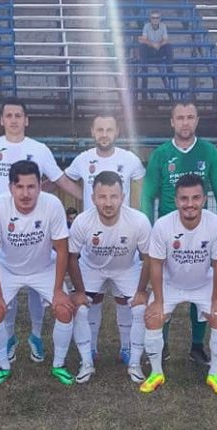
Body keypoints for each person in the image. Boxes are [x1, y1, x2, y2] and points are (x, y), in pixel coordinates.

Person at [0, 97, 82, 364]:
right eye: (9, 115)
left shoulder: (39, 149)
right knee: (4, 299)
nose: (14, 120)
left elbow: (59, 179)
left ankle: (36, 336)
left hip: (35, 228)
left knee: (37, 294)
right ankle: (9, 338)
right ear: (1, 120)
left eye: (18, 115)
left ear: (26, 120)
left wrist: (89, 202)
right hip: (5, 228)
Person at [0, 160, 92, 386]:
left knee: (64, 310)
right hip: (8, 269)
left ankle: (58, 364)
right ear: (10, 187)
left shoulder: (52, 204)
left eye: (31, 186)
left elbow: (62, 249)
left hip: (43, 268)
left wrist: (58, 291)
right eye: (20, 187)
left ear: (40, 186)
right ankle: (3, 365)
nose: (25, 193)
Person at [140, 101, 217, 365]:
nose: (185, 122)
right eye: (180, 118)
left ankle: (197, 346)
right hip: (168, 233)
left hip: (200, 230)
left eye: (190, 117)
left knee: (199, 283)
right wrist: (148, 227)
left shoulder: (209, 151)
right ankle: (163, 344)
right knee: (166, 285)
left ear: (197, 120)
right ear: (172, 122)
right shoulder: (161, 154)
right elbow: (147, 193)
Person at [64, 114, 146, 363]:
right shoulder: (83, 159)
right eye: (99, 129)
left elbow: (141, 190)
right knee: (92, 300)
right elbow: (63, 179)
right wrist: (83, 197)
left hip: (123, 242)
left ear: (117, 131)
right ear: (92, 131)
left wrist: (134, 216)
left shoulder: (130, 159)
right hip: (94, 242)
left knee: (125, 300)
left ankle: (126, 348)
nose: (104, 134)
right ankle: (90, 349)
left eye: (109, 129)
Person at [141, 174, 217, 395]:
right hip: (171, 283)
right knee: (153, 318)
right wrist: (158, 301)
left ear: (204, 199)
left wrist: (216, 299)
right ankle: (156, 373)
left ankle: (215, 374)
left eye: (195, 198)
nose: (190, 204)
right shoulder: (163, 225)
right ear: (176, 200)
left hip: (204, 283)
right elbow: (155, 264)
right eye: (184, 198)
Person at [67, 171, 151, 383]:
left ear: (123, 197)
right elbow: (72, 257)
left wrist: (142, 291)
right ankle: (87, 359)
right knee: (82, 308)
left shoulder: (138, 221)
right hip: (91, 267)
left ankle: (133, 359)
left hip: (126, 268)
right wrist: (79, 291)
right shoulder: (82, 222)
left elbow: (148, 257)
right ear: (93, 198)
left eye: (114, 196)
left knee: (139, 308)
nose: (108, 202)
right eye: (102, 197)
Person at [137, 10, 174, 99]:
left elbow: (166, 39)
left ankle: (169, 70)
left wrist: (158, 44)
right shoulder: (147, 26)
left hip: (159, 50)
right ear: (150, 19)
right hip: (150, 50)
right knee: (142, 46)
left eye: (157, 18)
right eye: (153, 18)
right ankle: (144, 70)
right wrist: (153, 44)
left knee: (169, 46)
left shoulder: (163, 26)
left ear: (160, 19)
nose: (155, 20)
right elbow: (144, 39)